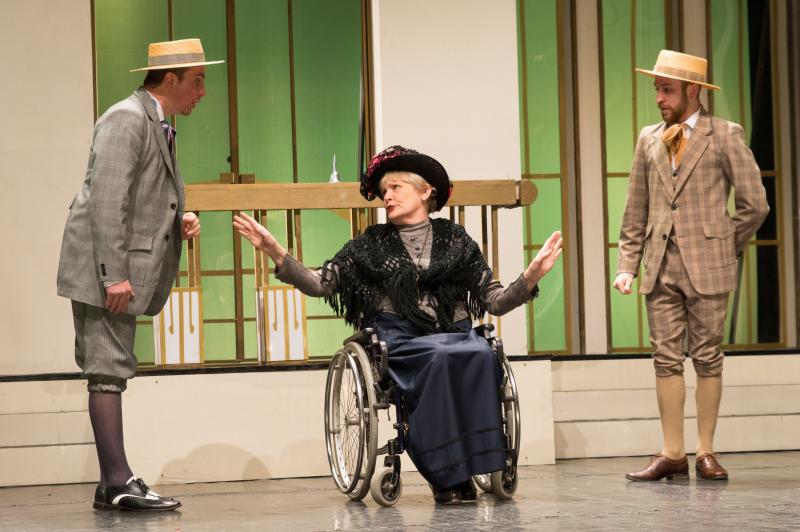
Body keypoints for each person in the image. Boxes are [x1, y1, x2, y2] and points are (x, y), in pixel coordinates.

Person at [234, 145, 562, 504]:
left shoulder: (456, 240)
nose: (387, 196)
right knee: (440, 357)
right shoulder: (371, 244)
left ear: (425, 192)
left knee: (482, 354)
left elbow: (494, 301)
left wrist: (529, 278)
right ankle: (445, 472)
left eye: (396, 187)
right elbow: (320, 284)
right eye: (383, 191)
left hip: (454, 333)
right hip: (401, 340)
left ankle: (475, 462)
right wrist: (276, 253)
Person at [57, 38, 223, 511]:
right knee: (106, 369)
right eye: (197, 81)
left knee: (111, 368)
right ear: (170, 79)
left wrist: (178, 219)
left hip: (117, 265)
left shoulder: (157, 122)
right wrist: (113, 275)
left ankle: (114, 481)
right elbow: (107, 201)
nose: (203, 92)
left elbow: (141, 193)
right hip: (104, 268)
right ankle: (117, 482)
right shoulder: (127, 118)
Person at [613, 50, 768, 482]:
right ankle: (672, 453)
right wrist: (627, 264)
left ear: (692, 90)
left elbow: (755, 204)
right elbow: (635, 207)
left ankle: (705, 451)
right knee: (664, 357)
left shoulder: (724, 134)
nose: (659, 98)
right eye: (657, 89)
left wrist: (724, 244)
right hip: (660, 264)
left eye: (667, 90)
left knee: (707, 356)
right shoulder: (649, 138)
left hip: (708, 266)